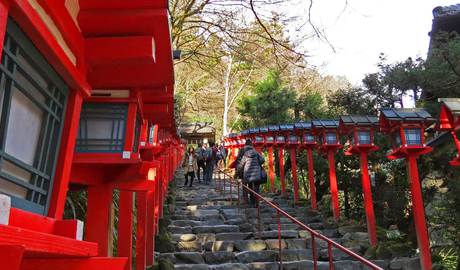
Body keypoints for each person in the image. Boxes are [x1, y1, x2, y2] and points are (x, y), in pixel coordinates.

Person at [236, 139, 265, 206]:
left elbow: (240, 163)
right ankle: (255, 203)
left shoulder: (242, 151)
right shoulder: (255, 151)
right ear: (251, 144)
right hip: (256, 173)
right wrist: (257, 163)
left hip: (245, 173)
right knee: (255, 188)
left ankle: (246, 201)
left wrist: (237, 173)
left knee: (245, 187)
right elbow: (262, 160)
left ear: (245, 144)